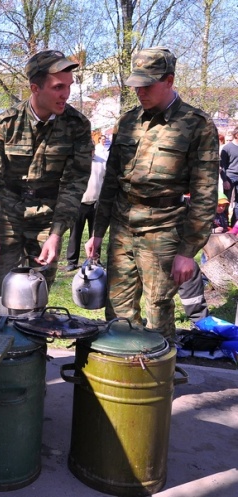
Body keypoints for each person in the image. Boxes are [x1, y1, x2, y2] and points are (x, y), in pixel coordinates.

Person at [85, 47, 219, 340]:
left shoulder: (197, 124)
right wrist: (97, 232)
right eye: (136, 85)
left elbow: (205, 193)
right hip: (122, 226)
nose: (140, 92)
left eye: (148, 85)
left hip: (164, 227)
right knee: (117, 306)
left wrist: (188, 251)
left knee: (158, 306)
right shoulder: (128, 121)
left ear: (169, 80)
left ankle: (158, 380)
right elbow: (110, 182)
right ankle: (122, 377)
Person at [0, 49, 93, 295]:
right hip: (8, 214)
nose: (66, 94)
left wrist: (56, 234)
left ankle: (34, 333)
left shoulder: (77, 126)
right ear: (35, 88)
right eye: (58, 87)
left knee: (37, 290)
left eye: (69, 86)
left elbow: (74, 184)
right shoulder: (5, 125)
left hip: (47, 216)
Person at [64, 134, 108, 271]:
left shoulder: (102, 162)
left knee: (95, 234)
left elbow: (106, 182)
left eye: (91, 149)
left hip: (96, 204)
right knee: (74, 234)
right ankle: (72, 261)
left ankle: (95, 259)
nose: (90, 152)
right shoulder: (77, 163)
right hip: (80, 204)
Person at [220, 127, 238, 225]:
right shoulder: (227, 148)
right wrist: (225, 180)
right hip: (230, 177)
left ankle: (235, 223)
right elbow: (222, 166)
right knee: (226, 202)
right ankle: (224, 223)